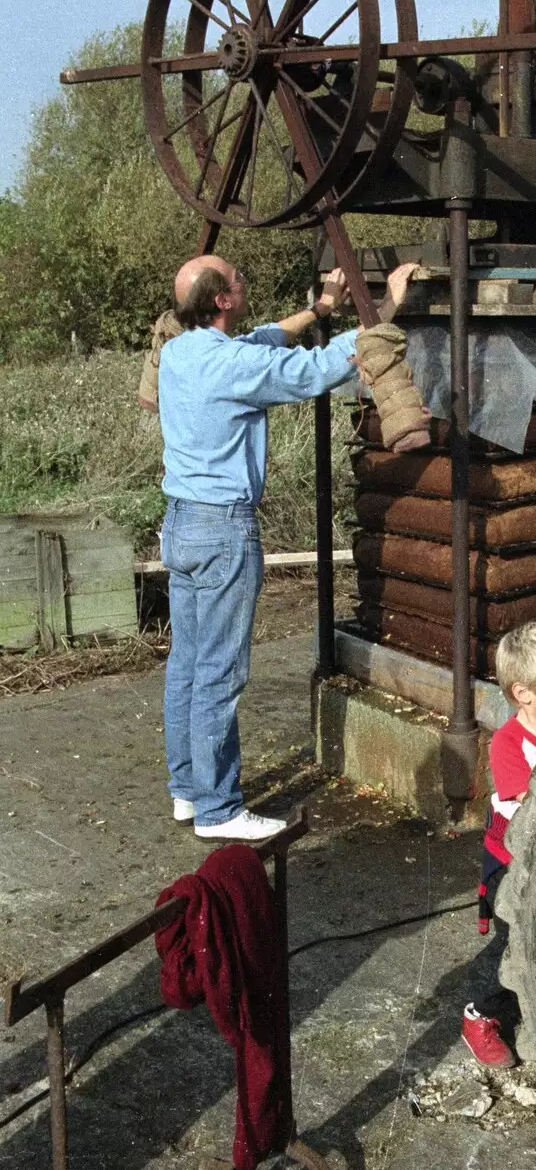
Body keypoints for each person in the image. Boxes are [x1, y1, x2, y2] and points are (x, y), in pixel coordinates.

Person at [159, 254, 417, 840]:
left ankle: (187, 789)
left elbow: (262, 340)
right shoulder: (234, 367)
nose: (244, 281)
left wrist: (322, 308)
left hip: (181, 526)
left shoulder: (181, 351)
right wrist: (388, 308)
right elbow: (316, 369)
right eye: (237, 278)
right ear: (221, 299)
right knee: (221, 674)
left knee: (189, 667)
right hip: (224, 530)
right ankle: (219, 811)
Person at [460, 622, 536, 1068]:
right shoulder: (508, 744)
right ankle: (478, 1013)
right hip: (512, 866)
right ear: (523, 694)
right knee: (517, 942)